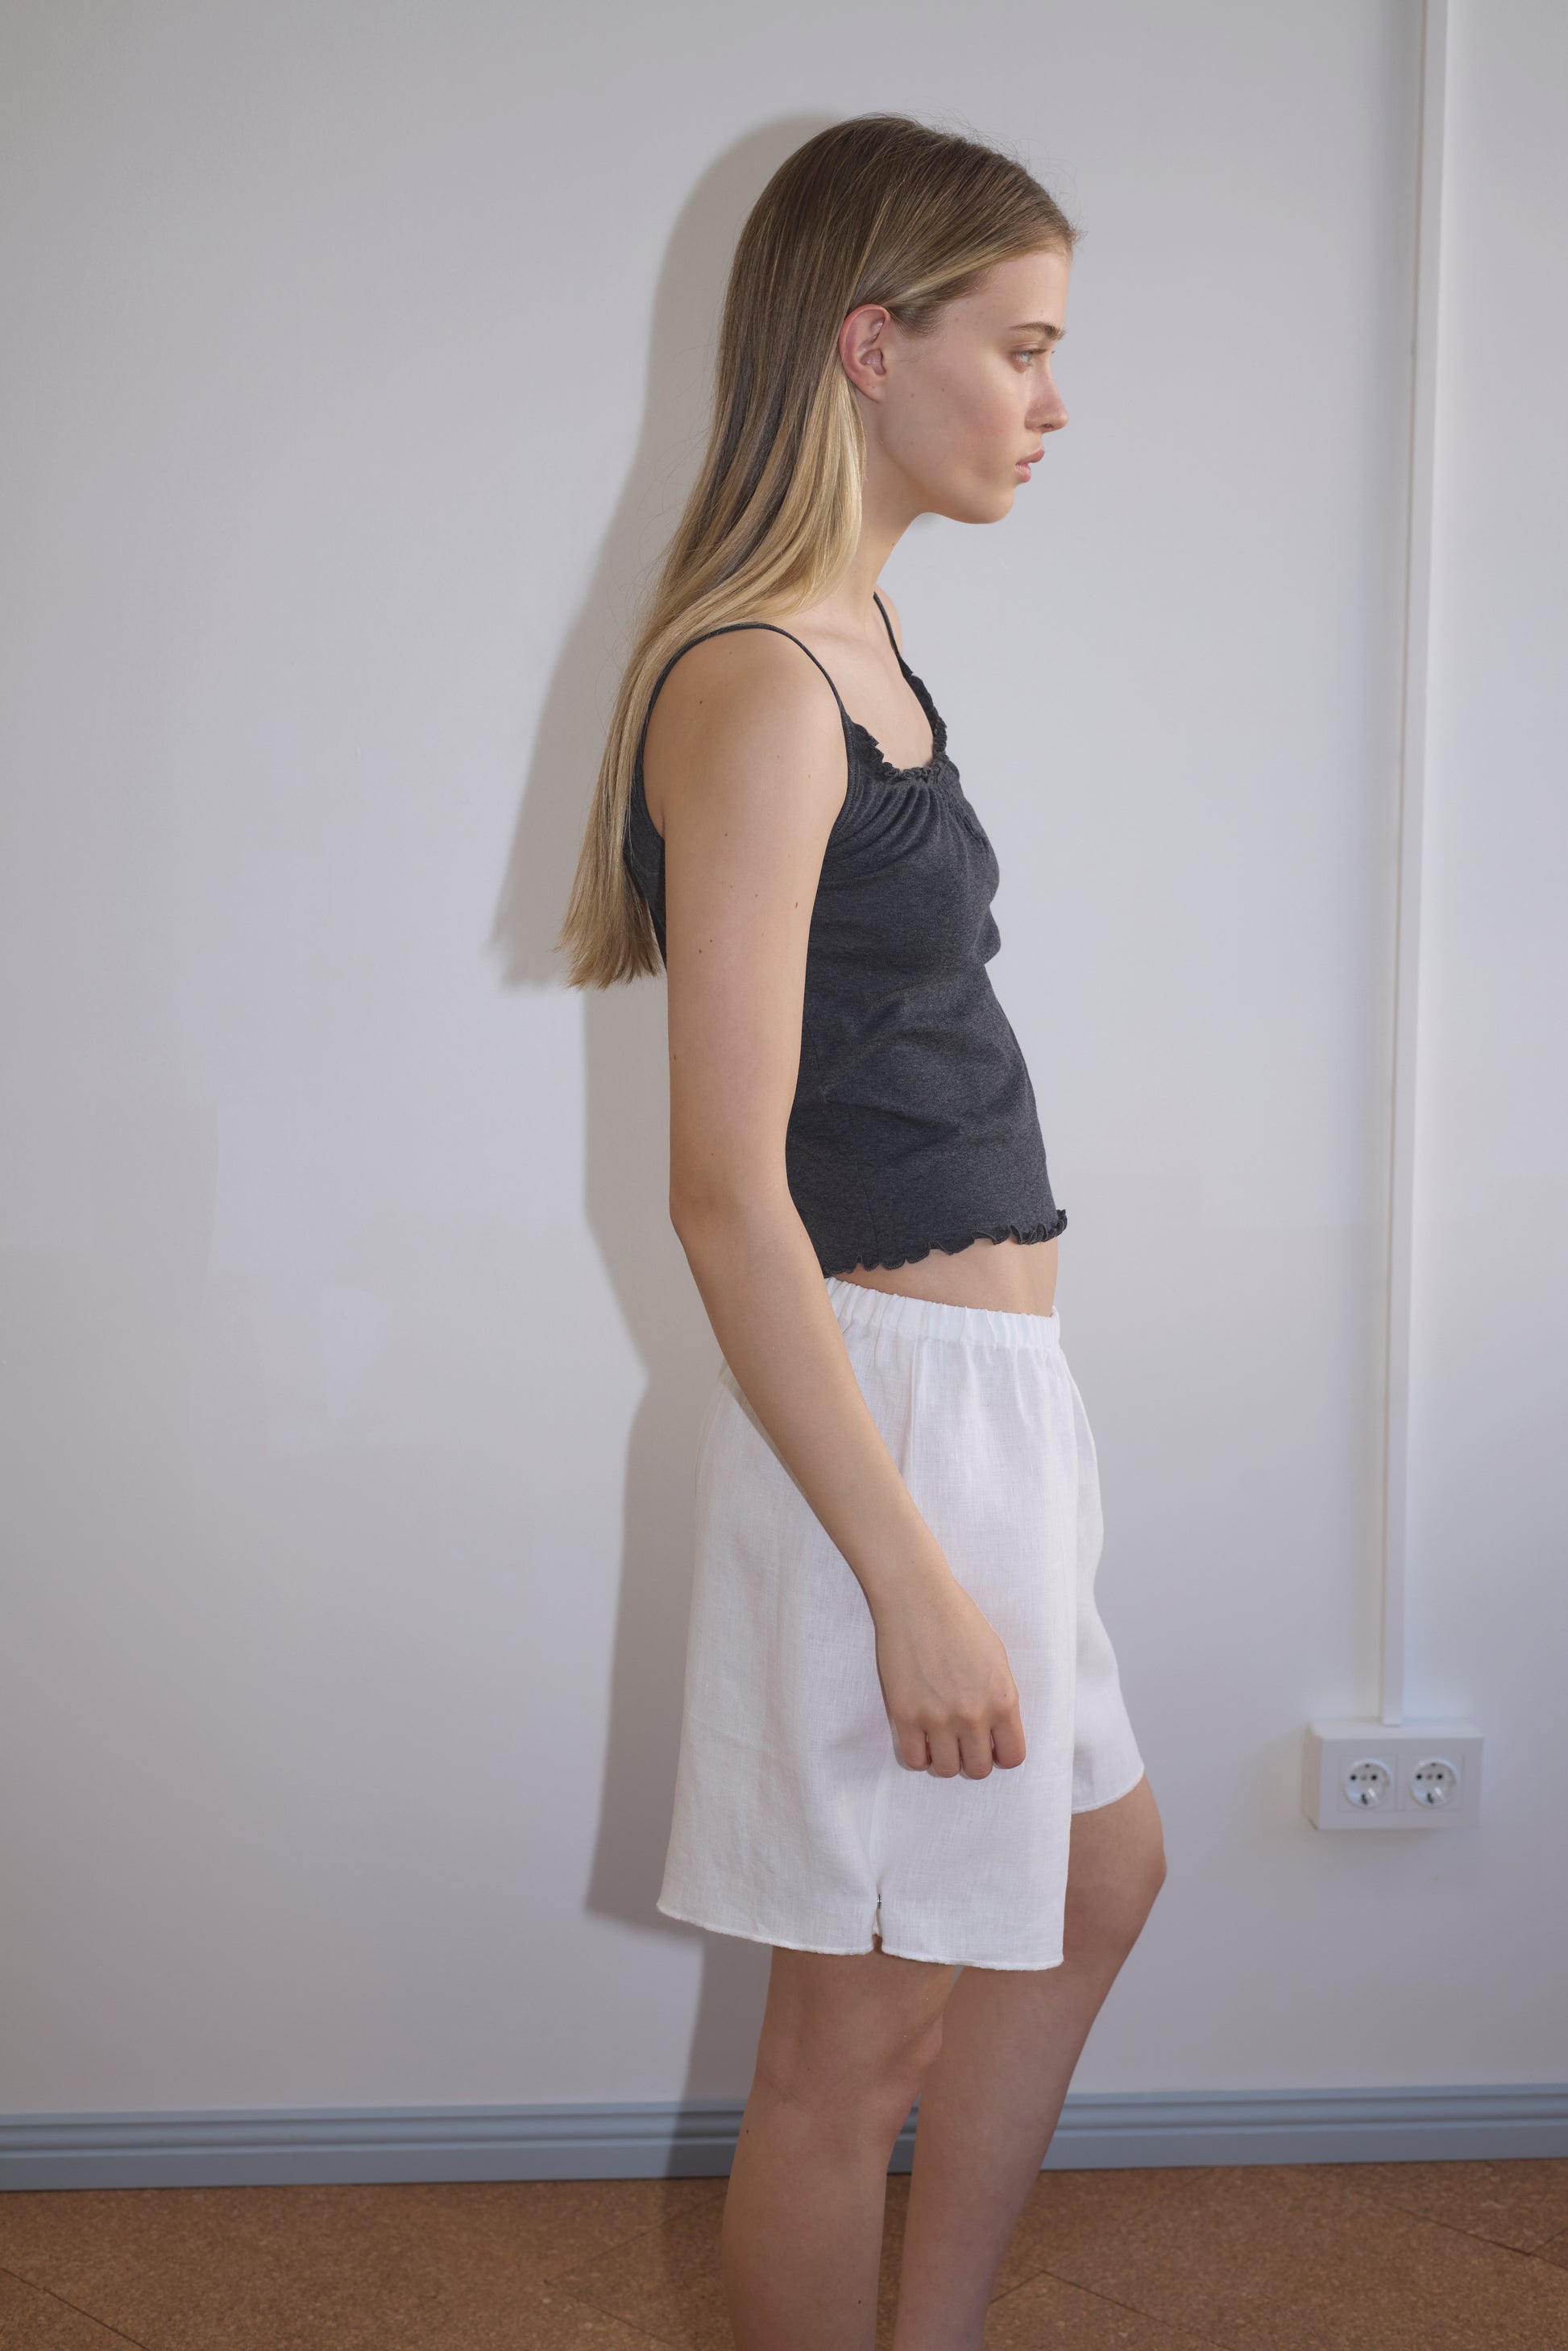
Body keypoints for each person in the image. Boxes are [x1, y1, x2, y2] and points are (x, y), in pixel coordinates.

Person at [558, 111, 1167, 2351]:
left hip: (991, 1399)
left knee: (1097, 1878)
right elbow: (721, 1192)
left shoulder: (861, 640)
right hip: (887, 1418)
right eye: (1020, 345)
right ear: (868, 343)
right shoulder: (755, 682)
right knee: (850, 2044)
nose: (1051, 398)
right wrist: (906, 1574)